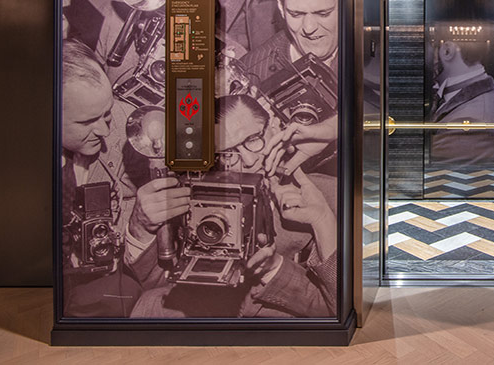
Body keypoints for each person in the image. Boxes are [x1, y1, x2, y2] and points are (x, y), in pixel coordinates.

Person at [129, 94, 338, 318]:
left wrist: (320, 222)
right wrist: (140, 228)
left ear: (275, 129)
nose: (248, 161)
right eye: (228, 154)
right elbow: (159, 288)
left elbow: (338, 308)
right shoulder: (198, 197)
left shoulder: (329, 193)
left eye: (253, 139)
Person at [61, 39, 185, 316]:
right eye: (86, 122)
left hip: (104, 283)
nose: (105, 131)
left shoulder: (134, 129)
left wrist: (139, 228)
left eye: (106, 113)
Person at [240, 0, 339, 177]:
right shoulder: (250, 73)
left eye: (323, 13)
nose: (309, 27)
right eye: (296, 14)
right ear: (281, 8)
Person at [426, 23, 494, 167]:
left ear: (447, 51)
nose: (427, 58)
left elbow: (447, 171)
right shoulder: (480, 97)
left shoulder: (470, 120)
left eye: (431, 48)